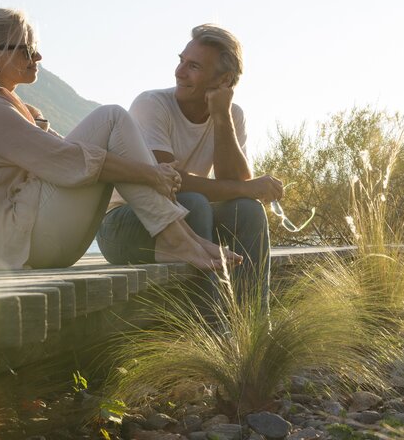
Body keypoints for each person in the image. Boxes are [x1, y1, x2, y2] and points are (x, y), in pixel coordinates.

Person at [0, 8, 231, 272]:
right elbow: (67, 161)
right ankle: (176, 239)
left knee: (108, 130)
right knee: (111, 118)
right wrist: (151, 173)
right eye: (27, 49)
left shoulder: (2, 105)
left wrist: (149, 173)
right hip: (17, 244)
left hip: (24, 240)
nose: (37, 56)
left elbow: (69, 154)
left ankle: (180, 238)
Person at [97, 24, 283, 306]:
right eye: (181, 60)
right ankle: (210, 328)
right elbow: (168, 184)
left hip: (189, 225)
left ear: (224, 80)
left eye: (193, 66)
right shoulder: (152, 104)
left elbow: (236, 183)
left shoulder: (233, 115)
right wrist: (248, 188)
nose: (179, 72)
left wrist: (221, 117)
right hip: (126, 225)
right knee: (191, 202)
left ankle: (255, 326)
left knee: (247, 210)